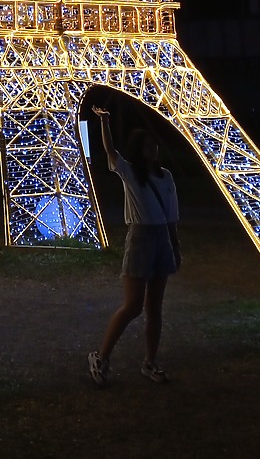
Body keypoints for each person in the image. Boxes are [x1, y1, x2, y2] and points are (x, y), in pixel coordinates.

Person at [87, 104, 181, 387]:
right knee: (132, 306)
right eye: (148, 147)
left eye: (155, 146)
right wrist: (104, 122)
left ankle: (150, 362)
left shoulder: (166, 177)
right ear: (139, 150)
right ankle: (101, 356)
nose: (153, 151)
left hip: (161, 239)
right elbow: (111, 153)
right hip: (140, 239)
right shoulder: (130, 174)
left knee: (155, 308)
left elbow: (171, 215)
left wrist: (175, 246)